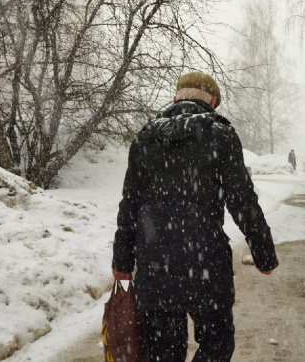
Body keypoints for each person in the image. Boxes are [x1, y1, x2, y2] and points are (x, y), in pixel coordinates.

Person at [112, 71, 278, 362]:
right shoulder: (221, 135)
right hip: (206, 265)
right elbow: (242, 200)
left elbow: (130, 205)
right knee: (217, 345)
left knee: (163, 352)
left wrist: (122, 261)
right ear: (212, 102)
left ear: (175, 97)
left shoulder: (145, 138)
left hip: (155, 266)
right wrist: (263, 253)